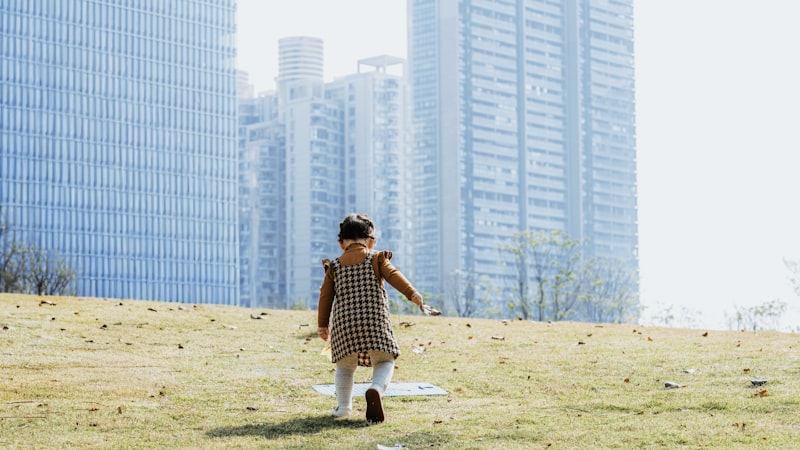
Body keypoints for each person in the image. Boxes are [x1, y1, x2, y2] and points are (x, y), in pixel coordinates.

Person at [317, 213, 425, 423]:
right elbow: (394, 275)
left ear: (341, 243)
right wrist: (412, 293)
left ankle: (344, 407)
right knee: (385, 360)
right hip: (374, 323)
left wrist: (322, 325)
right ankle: (376, 388)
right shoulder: (376, 259)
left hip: (344, 326)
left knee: (344, 367)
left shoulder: (334, 267)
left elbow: (325, 296)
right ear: (371, 241)